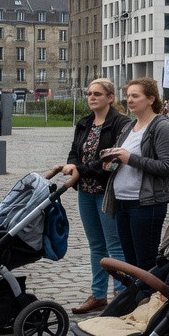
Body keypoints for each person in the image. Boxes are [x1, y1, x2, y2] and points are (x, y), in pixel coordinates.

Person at [58, 78, 132, 315]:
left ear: (110, 98)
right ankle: (98, 295)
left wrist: (81, 170)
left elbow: (111, 163)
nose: (91, 97)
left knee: (115, 245)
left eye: (97, 94)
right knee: (96, 245)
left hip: (108, 191)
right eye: (89, 93)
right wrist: (72, 166)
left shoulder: (121, 124)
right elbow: (73, 152)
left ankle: (122, 296)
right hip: (86, 193)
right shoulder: (84, 123)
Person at [99, 77, 169, 272]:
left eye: (135, 96)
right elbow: (124, 160)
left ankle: (150, 300)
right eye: (127, 96)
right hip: (122, 202)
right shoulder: (129, 127)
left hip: (146, 204)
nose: (130, 100)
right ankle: (135, 301)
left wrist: (129, 158)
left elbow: (167, 166)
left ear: (151, 99)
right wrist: (111, 161)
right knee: (131, 264)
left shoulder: (162, 127)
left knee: (145, 265)